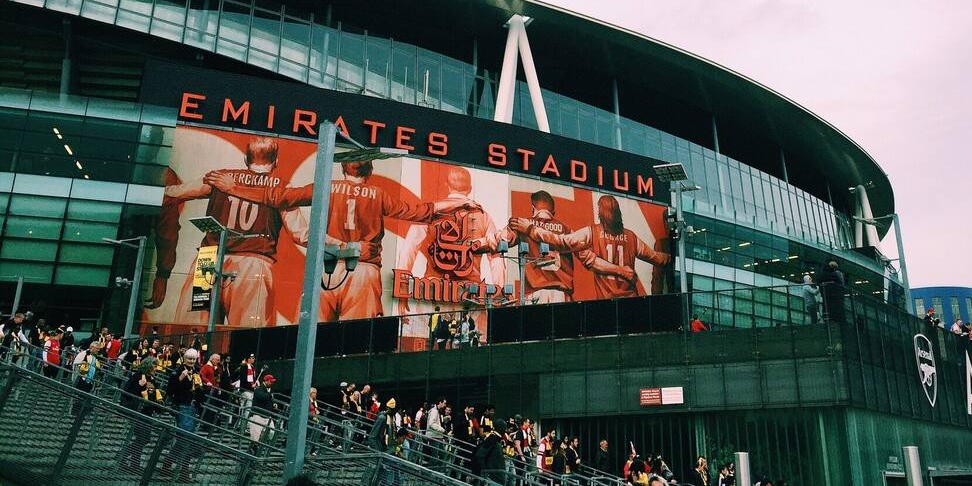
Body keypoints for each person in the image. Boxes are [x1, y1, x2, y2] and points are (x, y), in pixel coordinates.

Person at [203, 160, 476, 320]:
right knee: (353, 344)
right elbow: (420, 212)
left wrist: (233, 188)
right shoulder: (378, 194)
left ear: (343, 170)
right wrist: (456, 204)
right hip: (363, 271)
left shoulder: (326, 187)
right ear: (368, 174)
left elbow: (278, 198)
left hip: (324, 269)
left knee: (309, 337)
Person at [156, 137, 313, 327]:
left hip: (208, 258)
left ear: (246, 160)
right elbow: (300, 234)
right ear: (276, 162)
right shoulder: (280, 188)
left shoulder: (219, 177)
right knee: (247, 332)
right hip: (253, 262)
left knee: (193, 326)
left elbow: (173, 193)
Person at [511, 194, 671, 299]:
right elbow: (658, 259)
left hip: (604, 301)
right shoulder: (632, 237)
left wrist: (531, 229)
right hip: (631, 298)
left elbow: (563, 242)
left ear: (600, 213)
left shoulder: (591, 232)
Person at [473, 190, 579, 304]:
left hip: (535, 292)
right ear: (553, 212)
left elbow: (498, 241)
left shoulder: (522, 224)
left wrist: (474, 244)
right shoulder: (567, 230)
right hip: (562, 294)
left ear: (533, 208)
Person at [162, 348, 202, 481]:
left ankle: (168, 463)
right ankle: (184, 470)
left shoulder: (196, 371)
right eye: (189, 358)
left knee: (185, 439)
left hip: (192, 407)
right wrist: (180, 378)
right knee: (186, 439)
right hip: (182, 406)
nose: (191, 361)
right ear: (184, 359)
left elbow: (198, 390)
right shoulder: (178, 370)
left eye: (194, 359)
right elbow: (170, 389)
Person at [120, 361, 159, 469]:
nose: (156, 368)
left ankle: (129, 460)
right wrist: (139, 386)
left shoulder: (152, 379)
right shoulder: (137, 376)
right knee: (142, 437)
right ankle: (128, 460)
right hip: (137, 411)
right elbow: (126, 392)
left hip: (147, 412)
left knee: (145, 438)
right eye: (154, 366)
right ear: (148, 367)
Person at [70, 341, 103, 416]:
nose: (98, 350)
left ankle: (81, 411)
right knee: (80, 396)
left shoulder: (94, 357)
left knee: (84, 396)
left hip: (89, 380)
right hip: (82, 378)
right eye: (97, 348)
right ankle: (75, 411)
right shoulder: (82, 354)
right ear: (92, 347)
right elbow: (76, 365)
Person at [247, 374, 278, 455]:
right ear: (266, 381)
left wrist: (273, 405)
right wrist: (270, 395)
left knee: (271, 433)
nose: (272, 383)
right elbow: (262, 397)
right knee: (255, 437)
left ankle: (258, 447)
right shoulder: (259, 389)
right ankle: (252, 452)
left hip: (266, 415)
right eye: (270, 381)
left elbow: (267, 400)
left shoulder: (268, 390)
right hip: (257, 415)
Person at [230, 354, 257, 427]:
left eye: (254, 358)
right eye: (252, 358)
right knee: (245, 409)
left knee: (246, 409)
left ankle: (240, 425)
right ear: (248, 359)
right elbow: (243, 378)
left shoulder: (252, 368)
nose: (253, 359)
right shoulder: (244, 366)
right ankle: (241, 425)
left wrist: (254, 384)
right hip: (245, 390)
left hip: (250, 390)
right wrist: (250, 385)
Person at [198, 353, 224, 427]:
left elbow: (218, 380)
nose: (218, 361)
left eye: (219, 360)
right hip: (208, 390)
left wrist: (218, 388)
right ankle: (205, 424)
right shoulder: (206, 366)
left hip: (215, 390)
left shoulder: (218, 368)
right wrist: (207, 382)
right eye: (217, 360)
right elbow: (202, 375)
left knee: (214, 407)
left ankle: (212, 423)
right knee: (208, 406)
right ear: (212, 359)